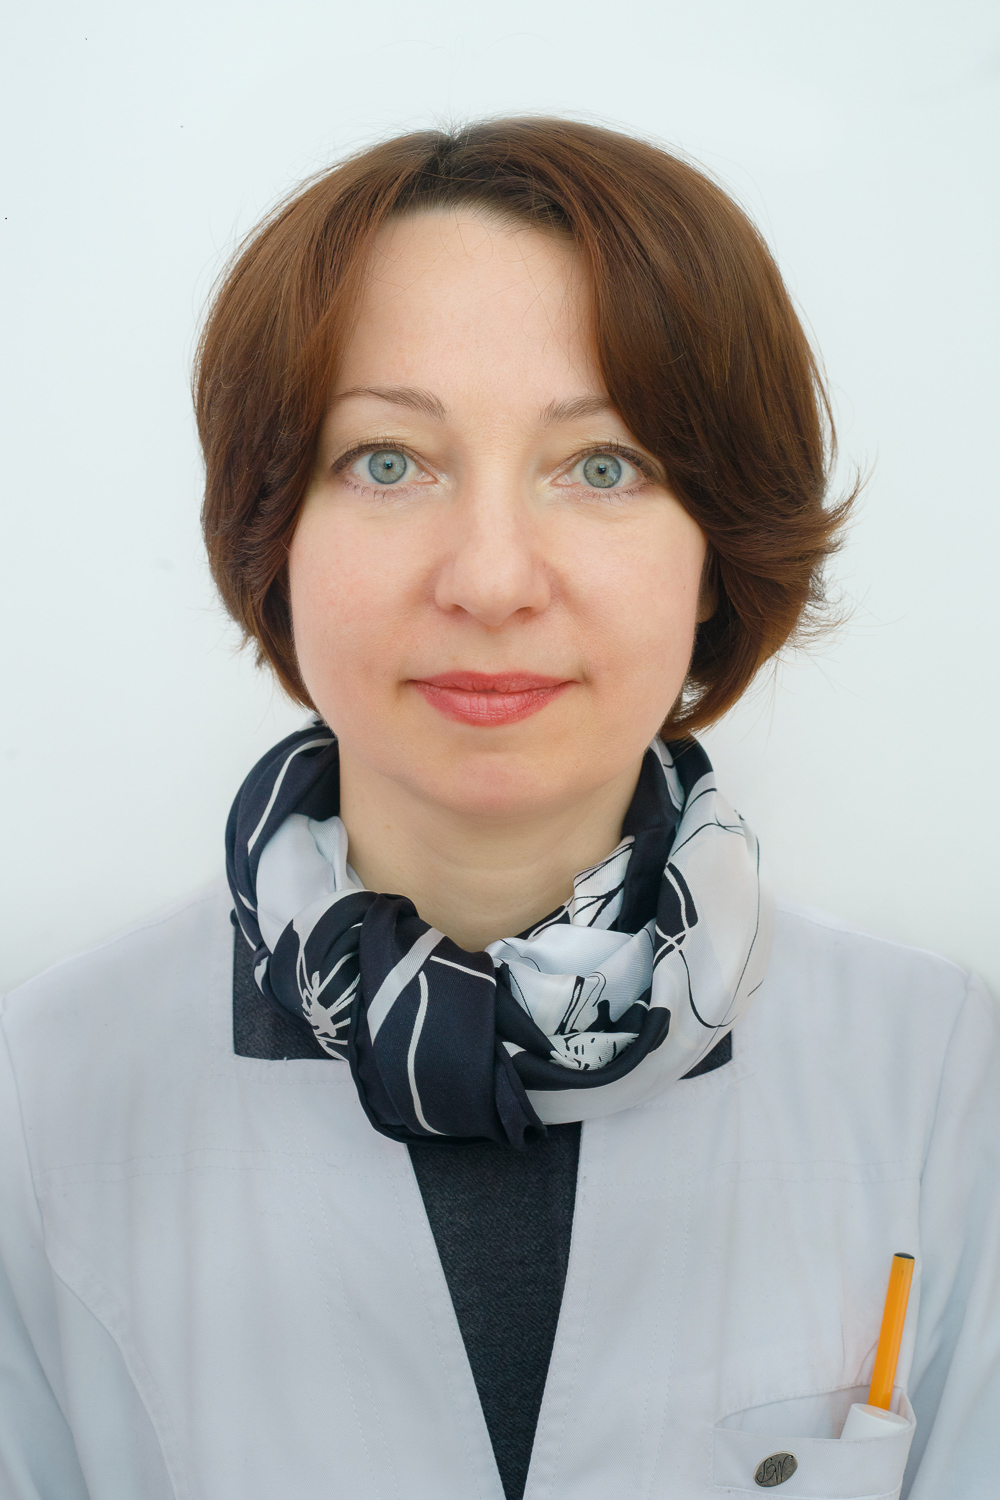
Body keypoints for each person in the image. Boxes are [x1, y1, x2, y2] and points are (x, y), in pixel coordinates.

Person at [0, 118, 996, 1500]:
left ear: (717, 552)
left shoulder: (943, 1078)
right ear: (274, 531)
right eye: (387, 461)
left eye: (604, 466)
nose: (490, 580)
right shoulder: (41, 1096)